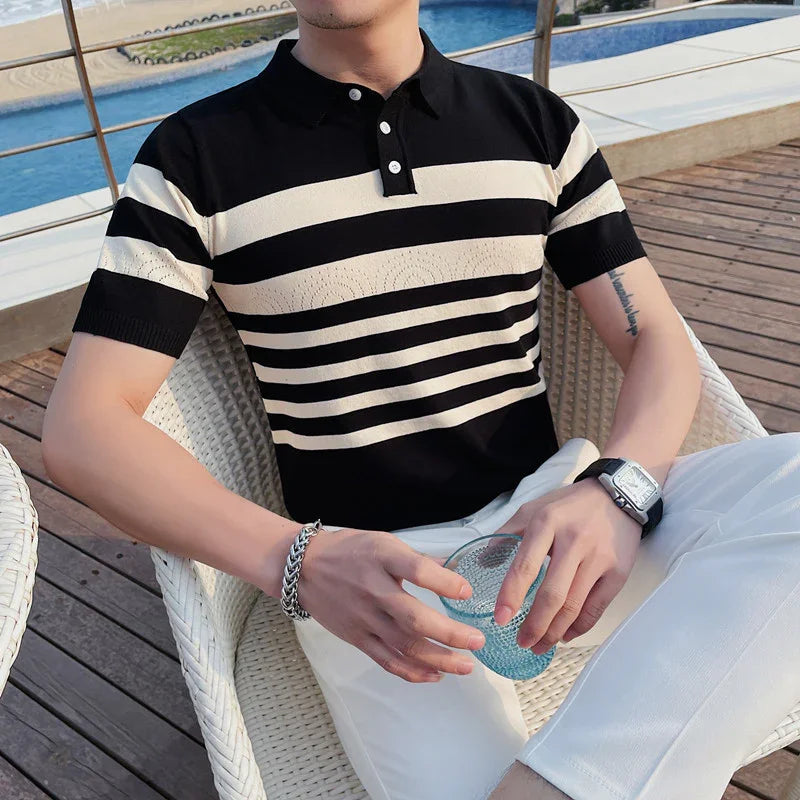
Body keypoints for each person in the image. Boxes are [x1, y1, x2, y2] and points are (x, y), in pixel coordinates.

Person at [41, 0, 800, 798]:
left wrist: (618, 490)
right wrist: (296, 559)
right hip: (374, 583)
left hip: (560, 529)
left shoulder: (534, 123)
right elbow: (85, 427)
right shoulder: (192, 160)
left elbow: (655, 337)